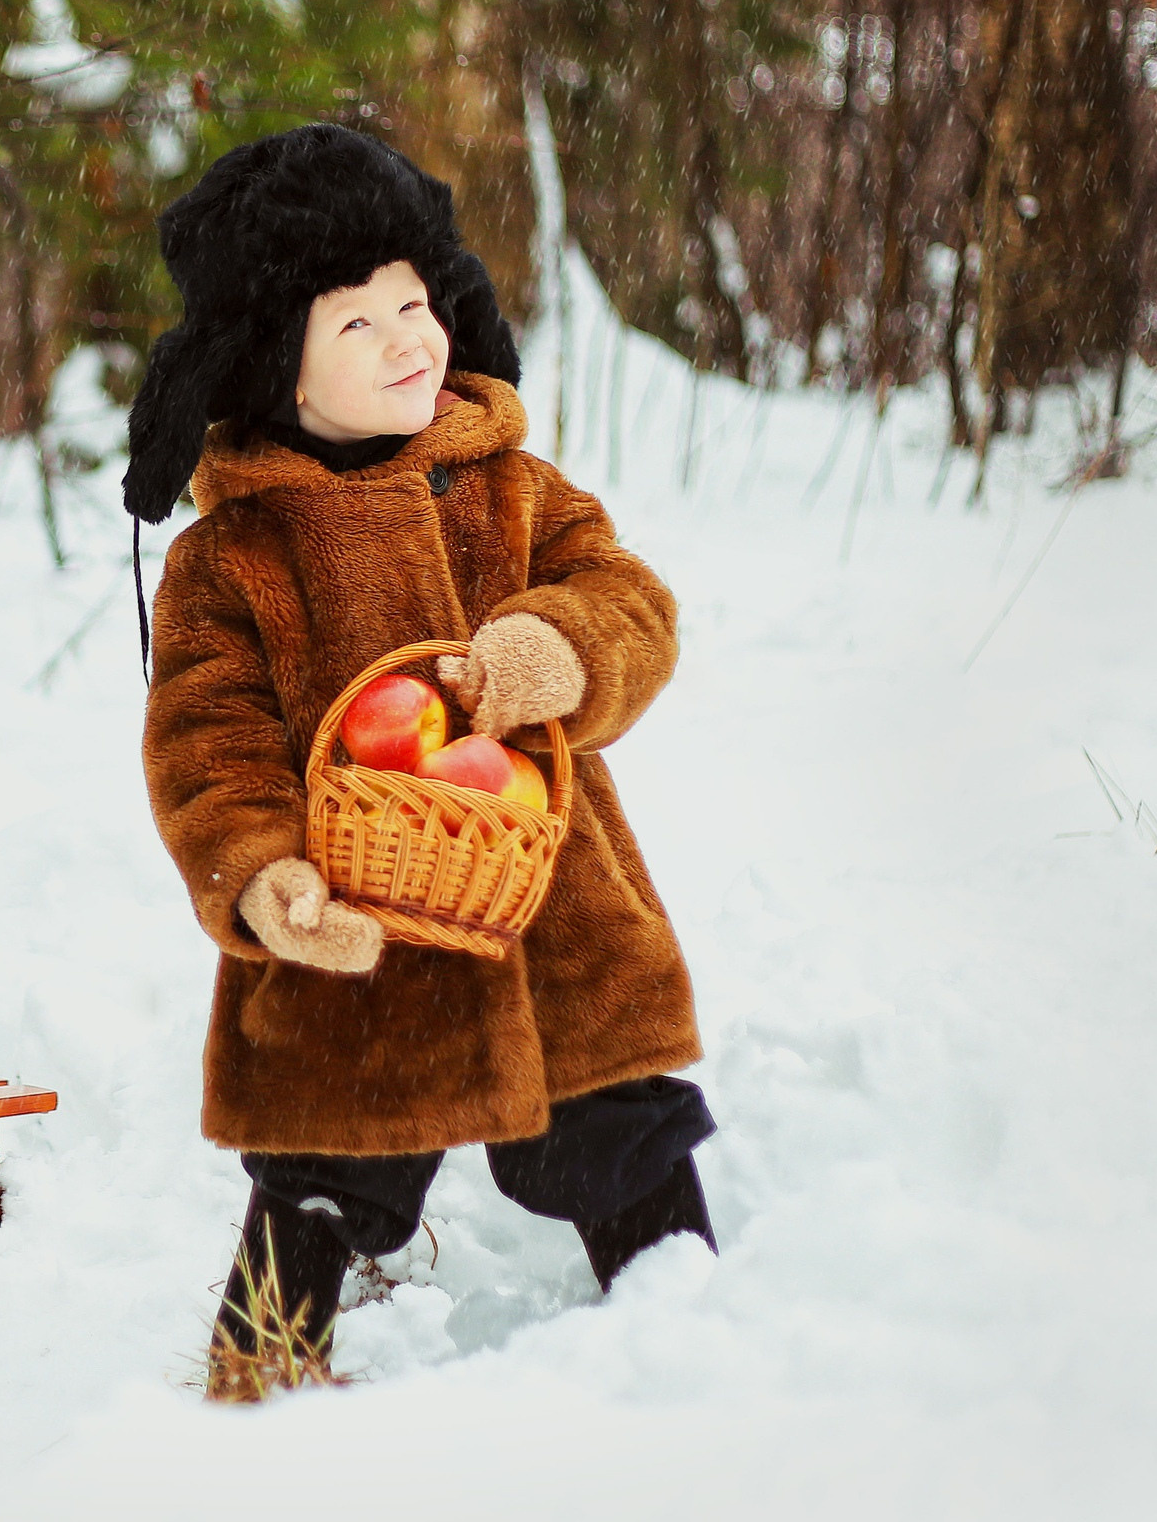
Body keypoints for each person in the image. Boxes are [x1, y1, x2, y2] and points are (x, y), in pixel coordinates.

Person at [126, 123, 716, 1395]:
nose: (409, 338)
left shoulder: (506, 484)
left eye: (415, 301)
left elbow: (628, 601)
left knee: (621, 1120)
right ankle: (259, 1380)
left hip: (551, 911)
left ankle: (691, 1330)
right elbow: (208, 749)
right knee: (323, 1169)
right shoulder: (231, 561)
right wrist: (264, 881)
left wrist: (556, 648)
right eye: (356, 323)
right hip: (357, 940)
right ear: (273, 365)